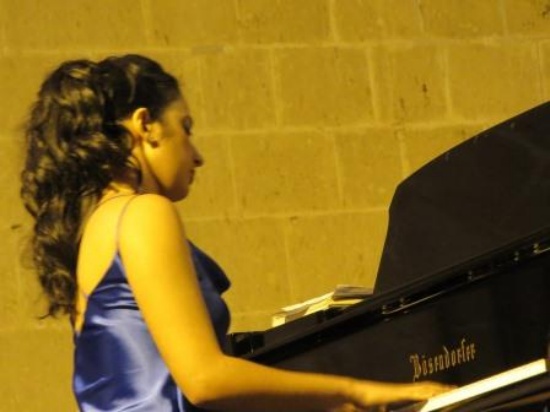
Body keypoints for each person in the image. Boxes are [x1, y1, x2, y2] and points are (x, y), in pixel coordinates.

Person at [20, 54, 449, 411]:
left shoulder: (97, 226)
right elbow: (204, 380)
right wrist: (356, 391)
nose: (197, 155)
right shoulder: (143, 213)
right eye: (186, 129)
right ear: (145, 124)